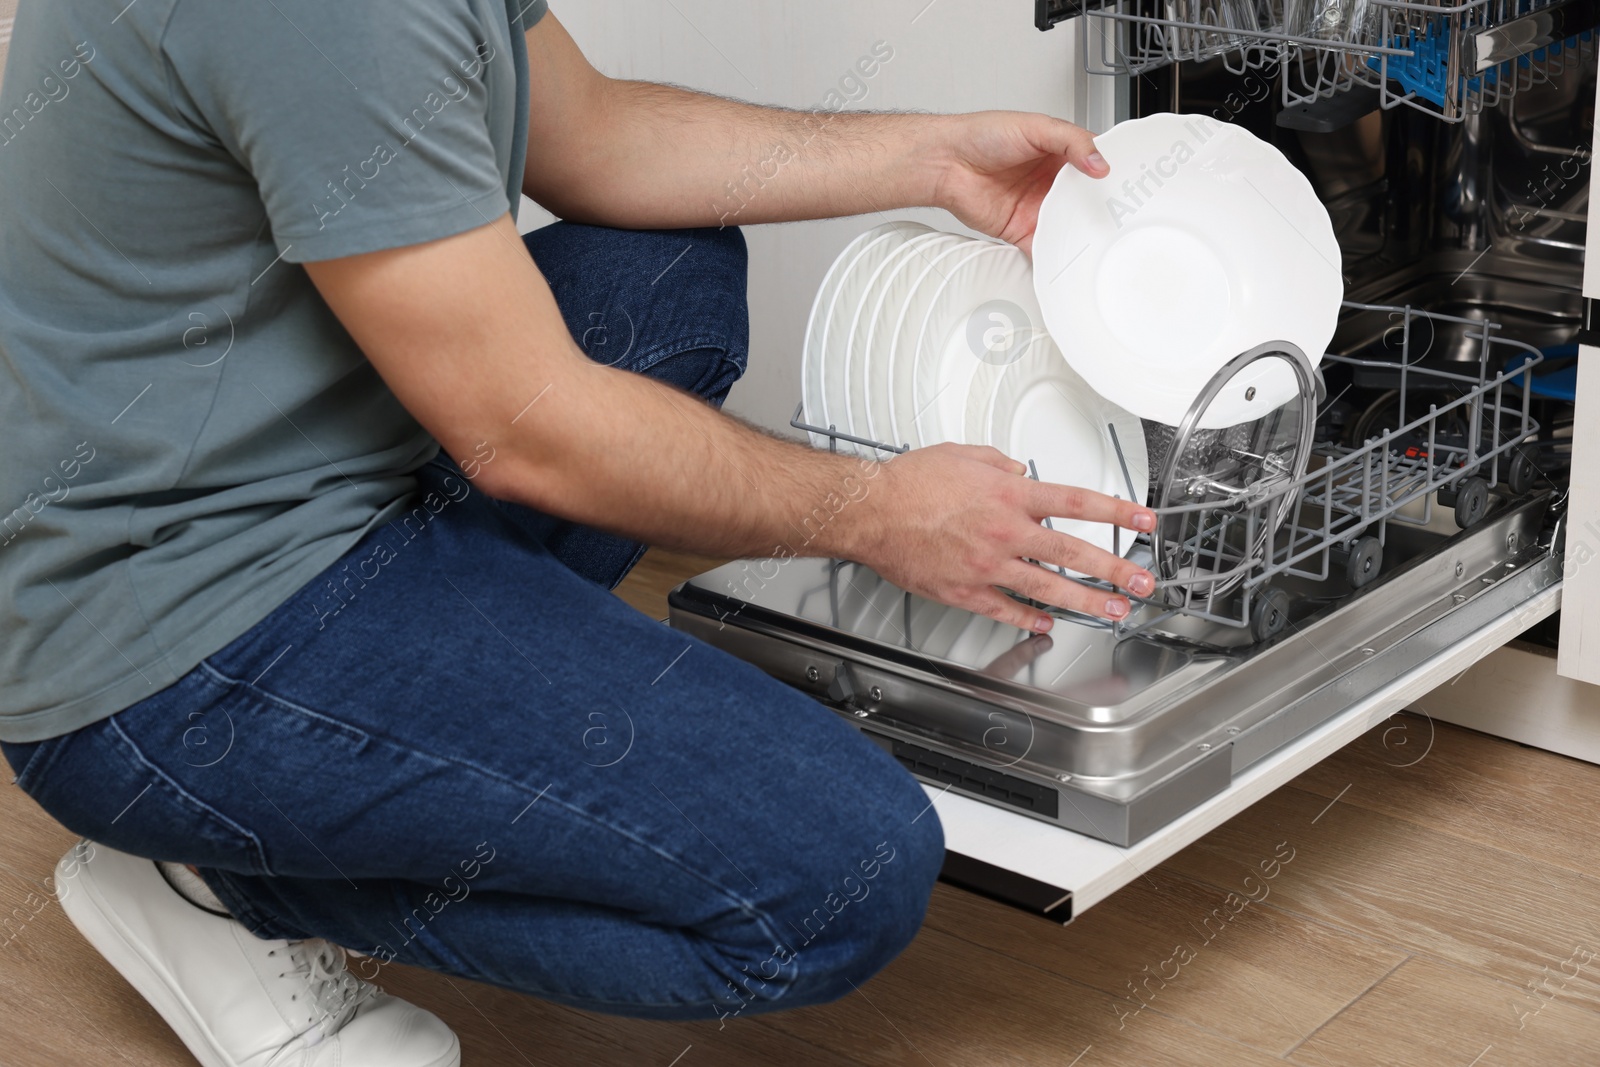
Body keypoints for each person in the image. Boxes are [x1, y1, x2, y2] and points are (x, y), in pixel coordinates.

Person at [0, 2, 1156, 1064]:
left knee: (665, 275)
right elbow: (532, 436)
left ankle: (430, 713)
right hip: (169, 642)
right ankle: (222, 877)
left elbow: (595, 135)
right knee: (838, 883)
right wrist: (873, 511)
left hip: (312, 479)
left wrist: (936, 156)